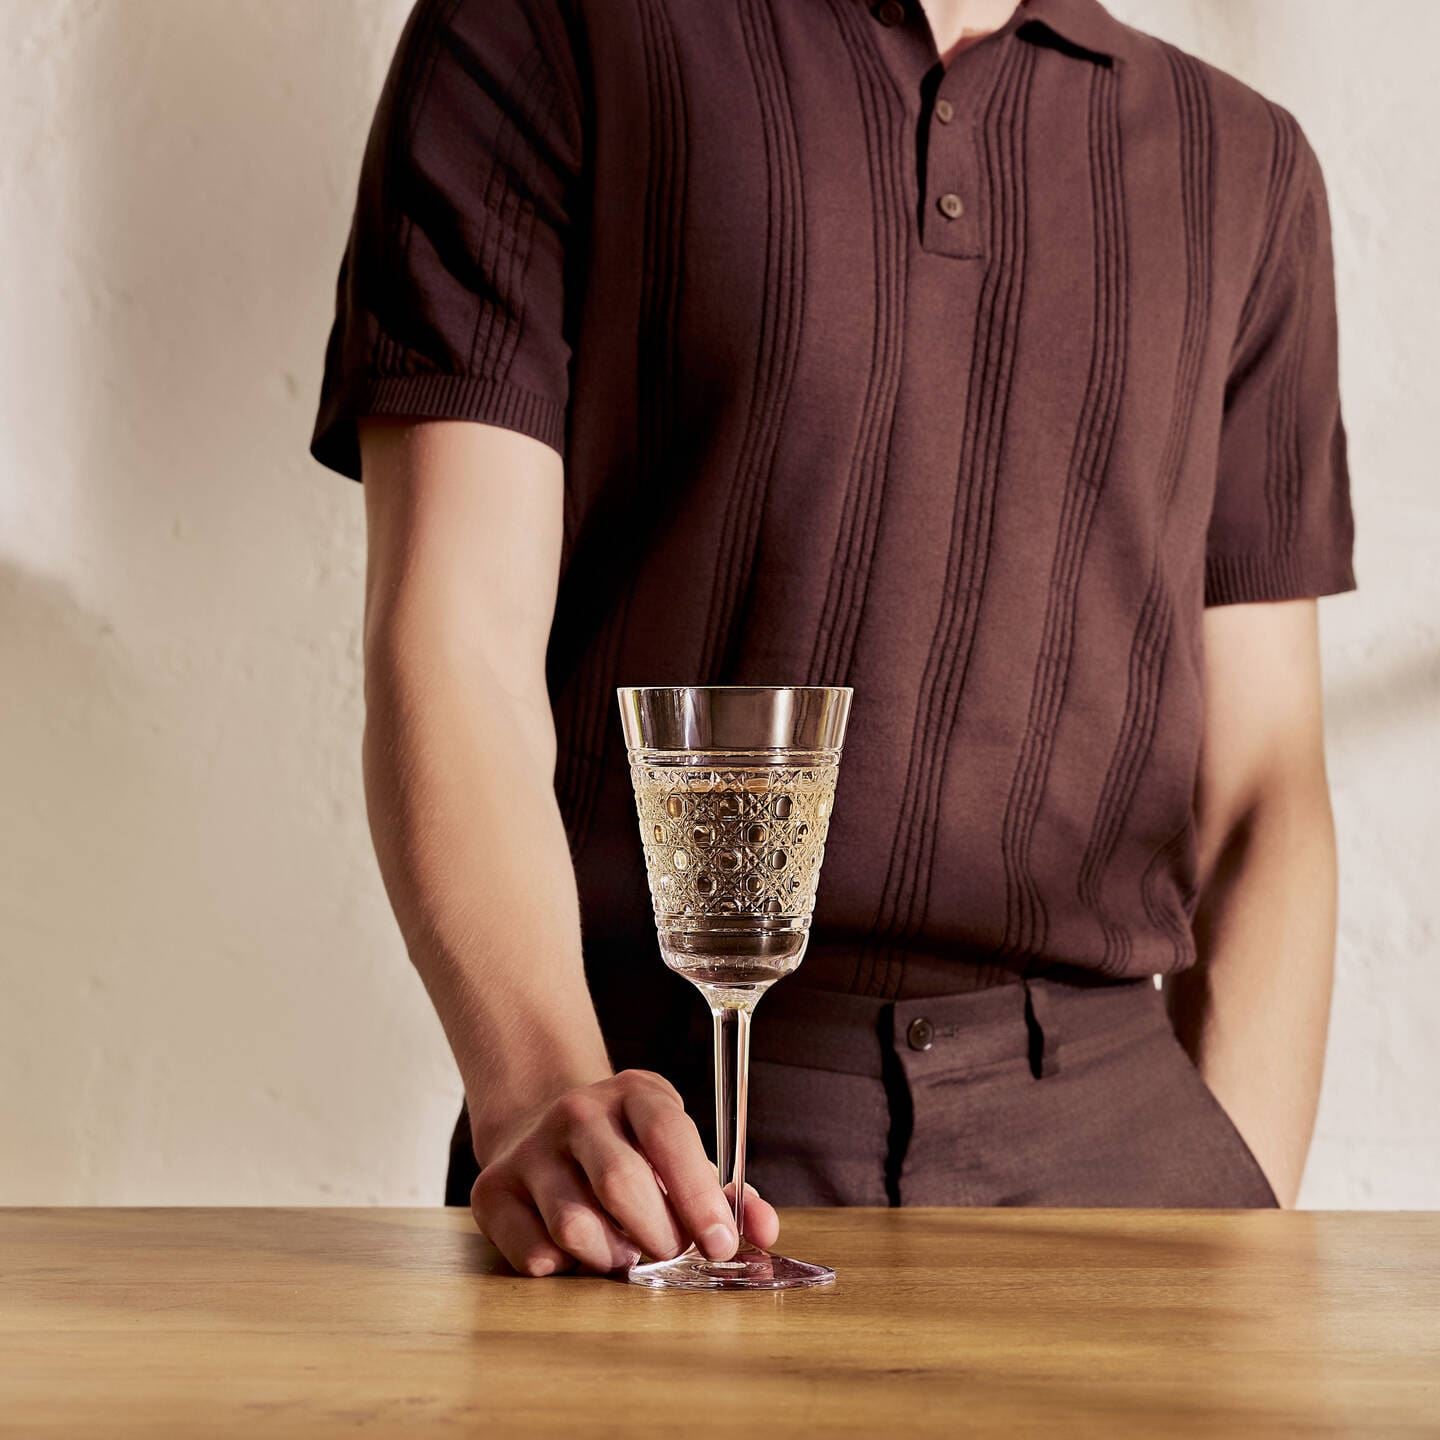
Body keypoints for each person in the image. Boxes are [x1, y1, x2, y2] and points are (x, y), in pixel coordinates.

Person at [311, 0, 1355, 1276]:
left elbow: (1262, 789)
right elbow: (454, 637)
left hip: (1124, 1151)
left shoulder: (1242, 162)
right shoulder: (547, 29)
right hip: (668, 1151)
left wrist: (1244, 1216)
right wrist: (541, 1093)